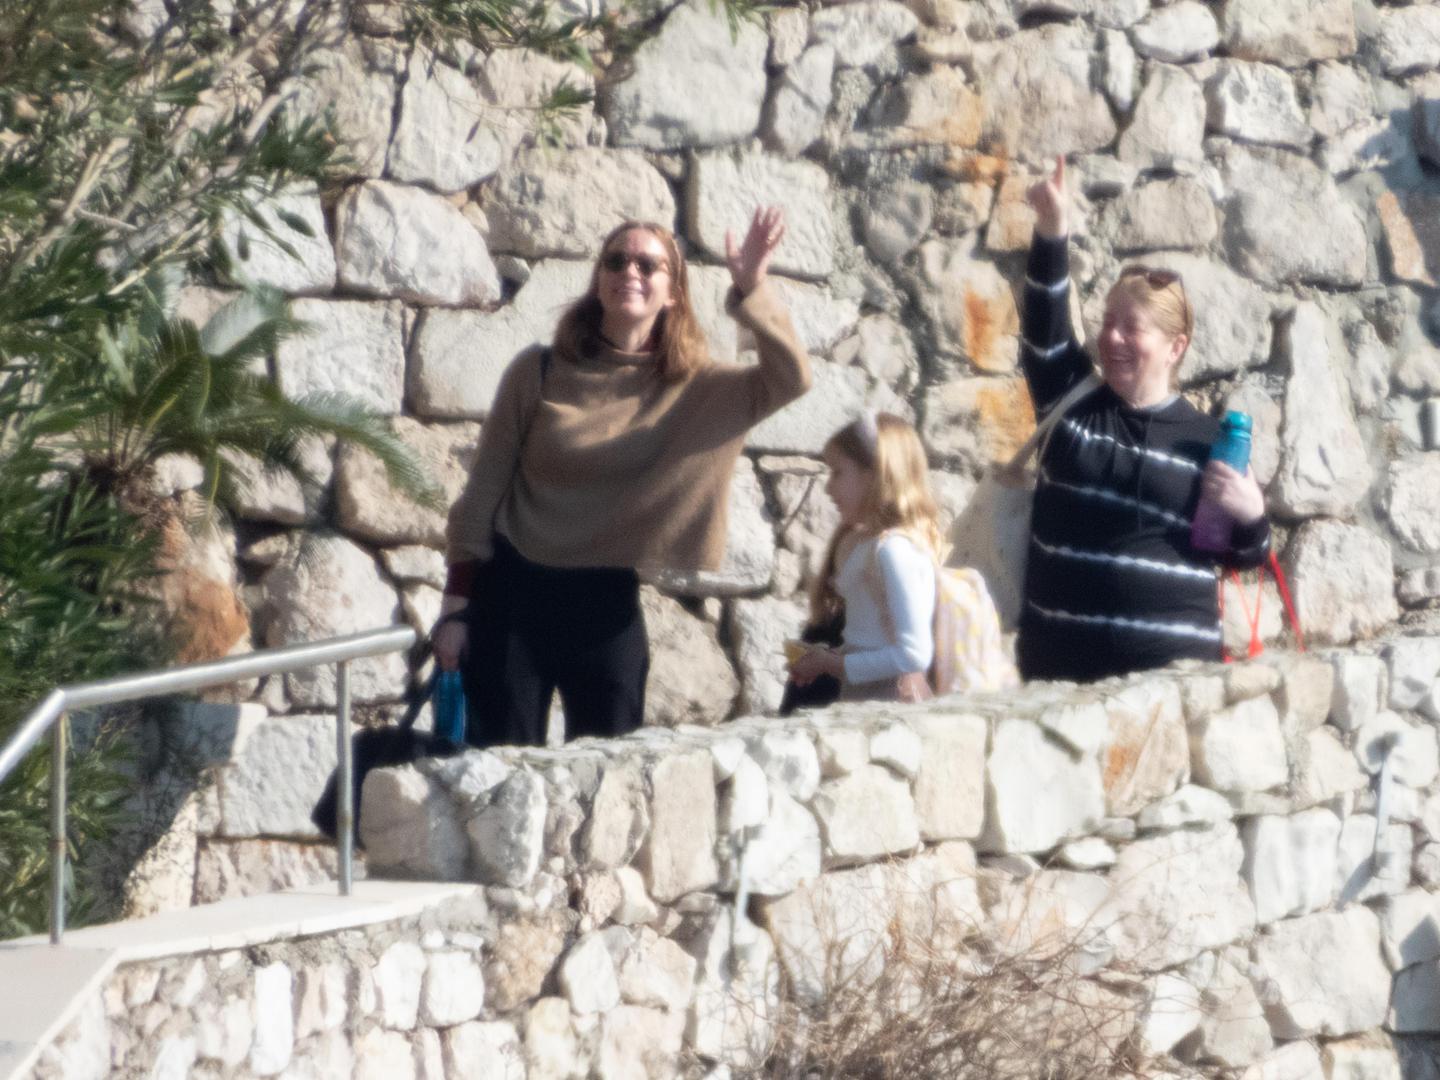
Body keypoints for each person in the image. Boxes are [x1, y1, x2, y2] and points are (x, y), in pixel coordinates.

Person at [433, 208, 811, 746]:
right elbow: (483, 493)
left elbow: (791, 378)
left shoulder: (698, 389)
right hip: (513, 592)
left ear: (672, 291)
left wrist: (751, 289)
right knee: (498, 773)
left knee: (609, 777)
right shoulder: (537, 370)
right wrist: (455, 611)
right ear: (599, 281)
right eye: (616, 260)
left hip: (605, 599)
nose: (629, 271)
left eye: (647, 264)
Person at [1016, 156, 1271, 682]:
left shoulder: (1207, 442)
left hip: (1172, 685)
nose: (1111, 339)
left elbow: (1242, 559)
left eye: (1132, 329)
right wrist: (1051, 230)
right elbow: (1043, 326)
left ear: (1175, 347)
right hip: (1060, 684)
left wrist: (1252, 516)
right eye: (1107, 323)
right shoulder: (1071, 404)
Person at [787, 412, 943, 705]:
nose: (827, 487)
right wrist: (826, 657)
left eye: (837, 472)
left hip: (891, 701)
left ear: (873, 474)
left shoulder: (894, 550)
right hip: (866, 697)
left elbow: (913, 654)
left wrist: (829, 664)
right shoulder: (872, 545)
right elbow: (873, 642)